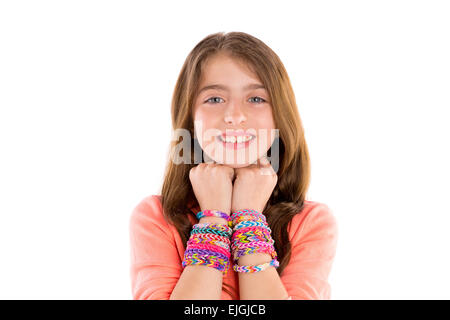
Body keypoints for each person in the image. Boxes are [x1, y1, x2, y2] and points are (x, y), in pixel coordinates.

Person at [129, 31, 338, 300]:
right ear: (191, 117)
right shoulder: (156, 218)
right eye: (214, 99)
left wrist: (249, 220)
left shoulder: (311, 223)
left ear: (279, 116)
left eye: (256, 99)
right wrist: (213, 218)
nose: (235, 116)